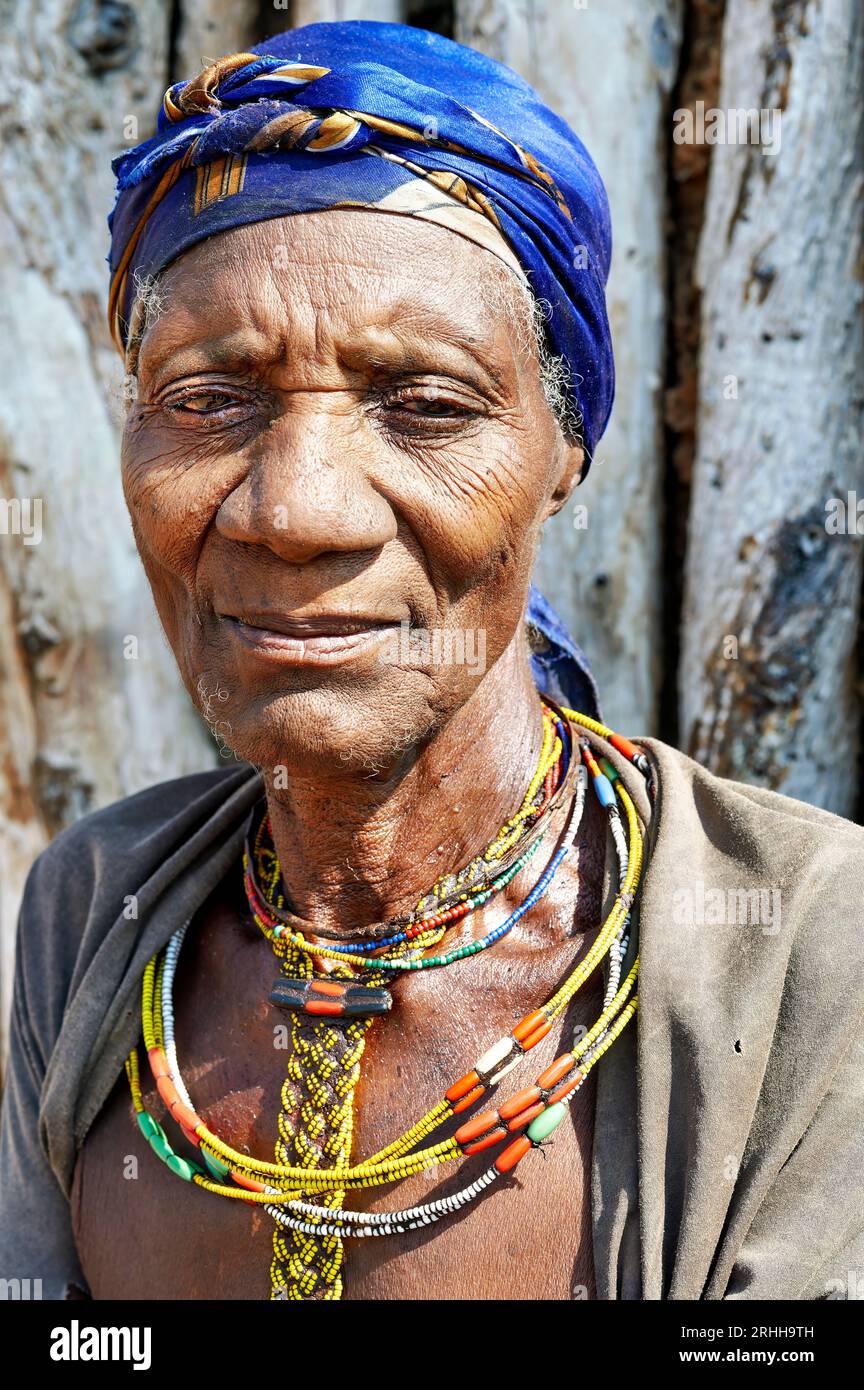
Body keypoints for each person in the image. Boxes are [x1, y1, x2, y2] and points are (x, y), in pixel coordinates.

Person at [1, 19, 862, 1303]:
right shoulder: (99, 915)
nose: (294, 511)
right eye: (207, 398)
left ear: (563, 452)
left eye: (425, 405)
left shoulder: (799, 942)